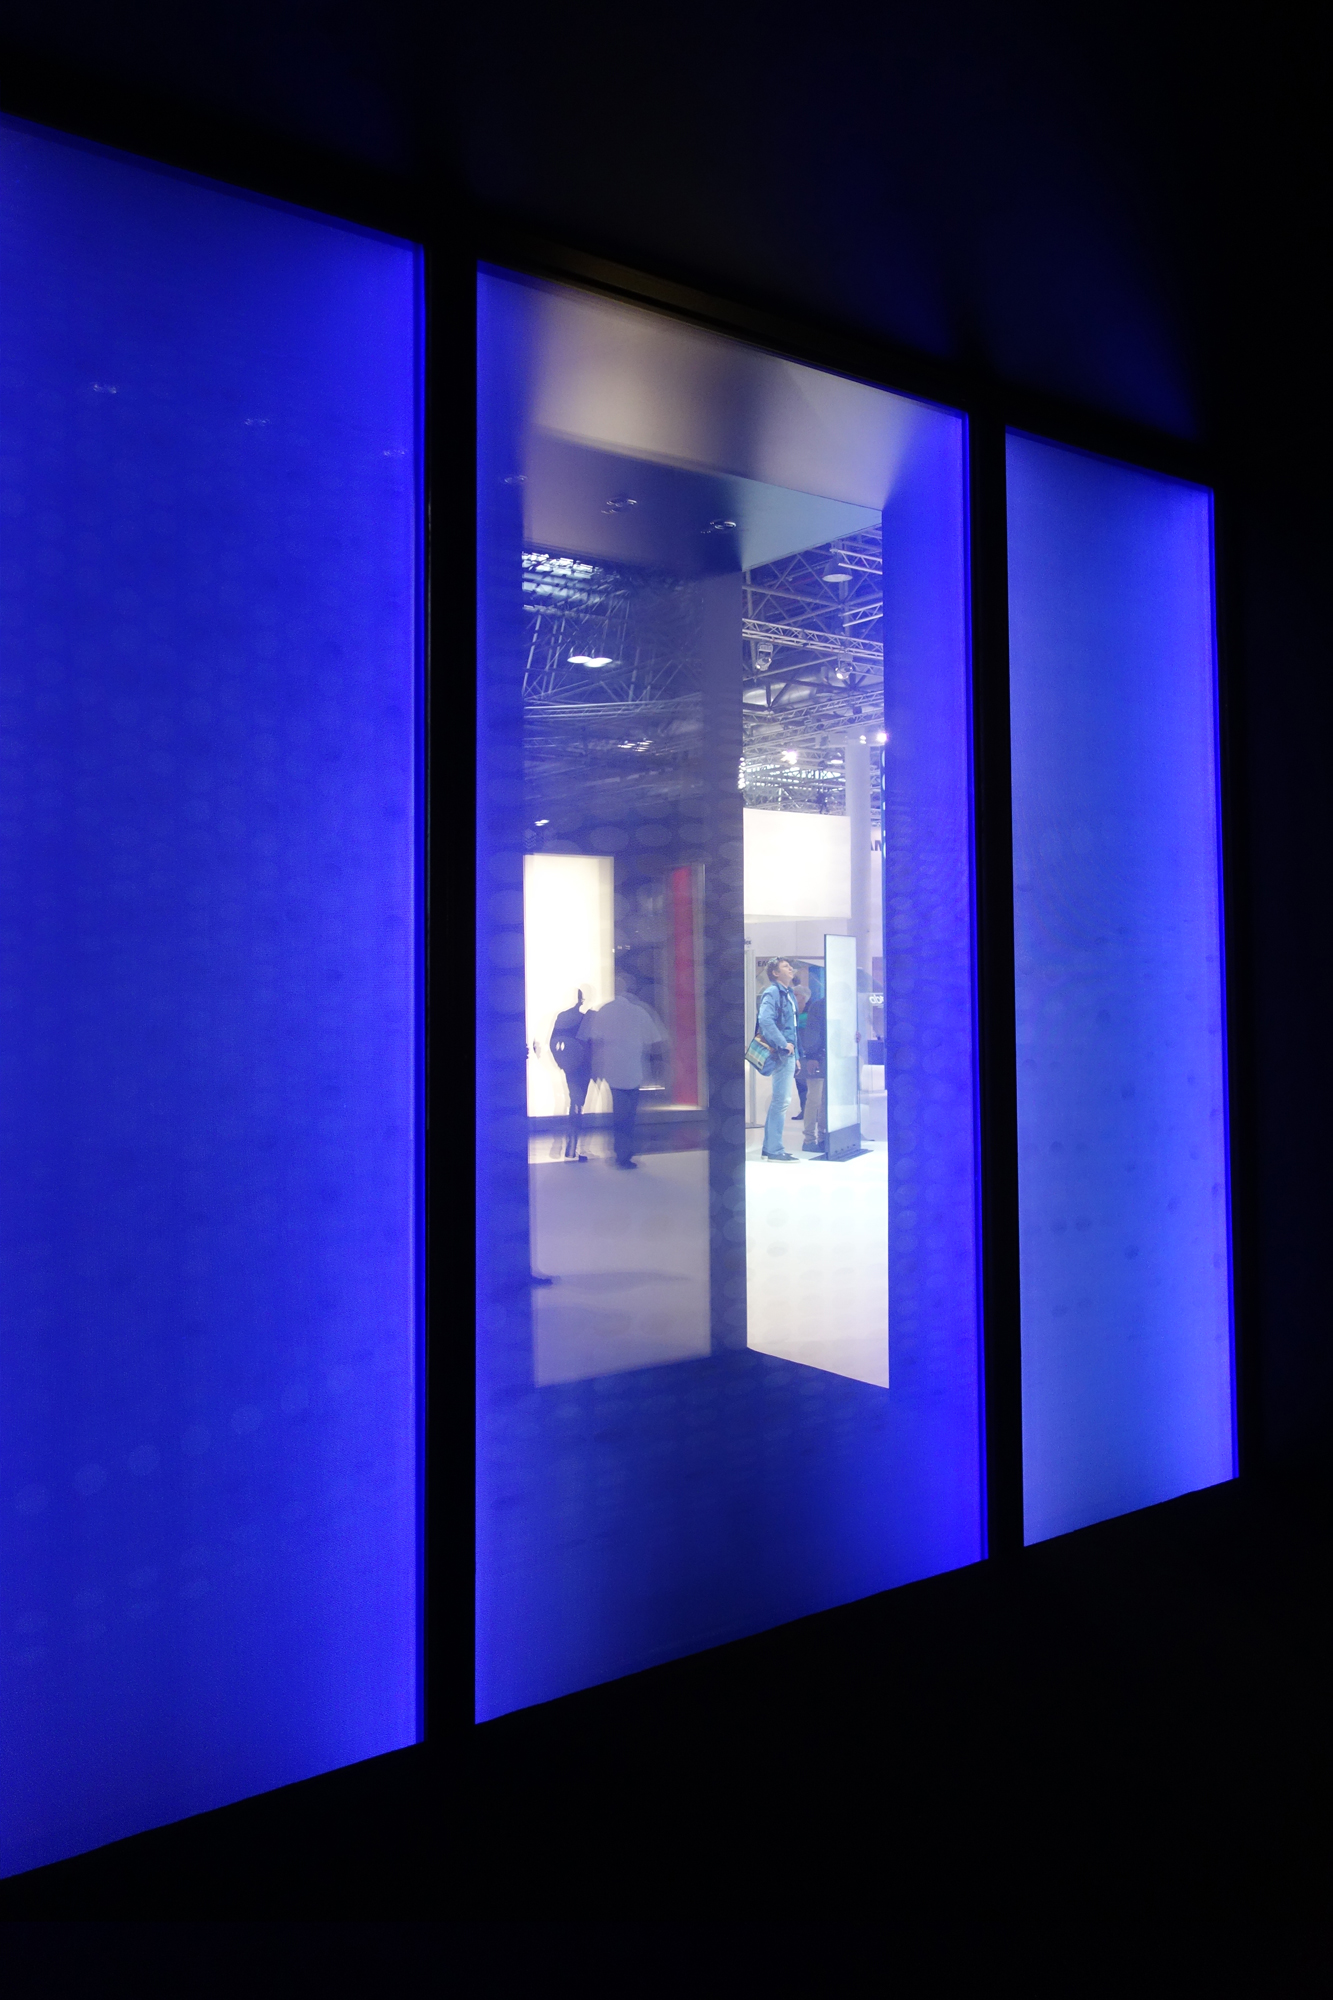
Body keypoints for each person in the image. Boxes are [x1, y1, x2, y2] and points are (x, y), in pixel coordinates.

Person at [579, 971, 666, 1169]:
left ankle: (620, 1152)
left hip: (612, 1068)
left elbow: (594, 1041)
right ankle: (625, 1154)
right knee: (629, 1114)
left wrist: (597, 1066)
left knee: (618, 1111)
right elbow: (655, 1040)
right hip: (633, 1069)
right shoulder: (639, 1012)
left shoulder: (604, 1011)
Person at [755, 957, 800, 1161]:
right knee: (781, 1101)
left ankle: (771, 1148)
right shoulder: (773, 992)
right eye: (785, 966)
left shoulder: (788, 993)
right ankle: (774, 1149)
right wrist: (783, 1044)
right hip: (781, 1052)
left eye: (790, 966)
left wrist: (796, 1054)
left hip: (788, 1053)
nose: (790, 968)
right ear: (775, 973)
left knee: (781, 1101)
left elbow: (793, 1028)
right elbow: (765, 1020)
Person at [549, 988, 592, 1161]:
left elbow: (553, 1042)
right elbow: (590, 1044)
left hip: (571, 1065)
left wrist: (561, 1061)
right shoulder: (585, 1019)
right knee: (578, 1102)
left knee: (575, 1099)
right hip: (584, 1065)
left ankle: (571, 1143)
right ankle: (573, 1141)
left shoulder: (564, 1017)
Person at [799, 987, 827, 1154]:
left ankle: (822, 1137)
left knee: (823, 1101)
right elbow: (812, 1032)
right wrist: (811, 1056)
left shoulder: (830, 1005)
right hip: (818, 1059)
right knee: (815, 1100)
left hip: (829, 1060)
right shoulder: (819, 1006)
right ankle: (809, 1139)